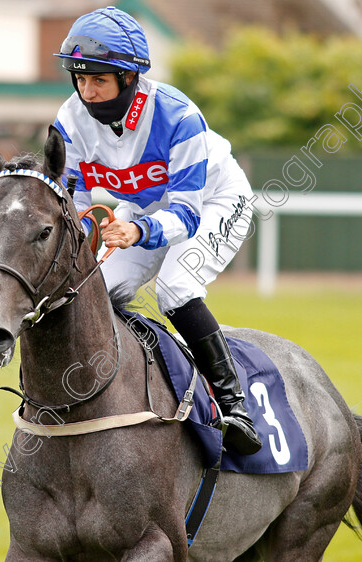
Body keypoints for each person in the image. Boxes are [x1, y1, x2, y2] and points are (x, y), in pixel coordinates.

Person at [53, 7, 261, 455]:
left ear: (128, 78)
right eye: (79, 79)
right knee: (94, 290)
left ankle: (234, 405)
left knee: (176, 285)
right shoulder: (69, 120)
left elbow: (186, 215)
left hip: (213, 201)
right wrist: (86, 226)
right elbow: (75, 199)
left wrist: (137, 230)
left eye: (98, 80)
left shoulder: (177, 114)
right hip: (142, 209)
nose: (87, 92)